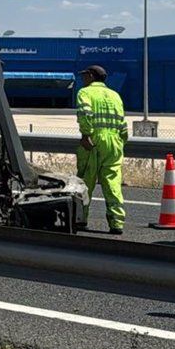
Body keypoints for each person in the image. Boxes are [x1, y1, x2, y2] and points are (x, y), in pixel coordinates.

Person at [75, 64, 128, 234]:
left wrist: (86, 134)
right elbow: (122, 122)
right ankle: (116, 222)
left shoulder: (85, 92)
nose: (82, 78)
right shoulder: (115, 95)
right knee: (112, 183)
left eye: (84, 75)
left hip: (94, 140)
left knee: (85, 181)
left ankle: (80, 219)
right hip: (114, 142)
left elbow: (85, 114)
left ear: (91, 76)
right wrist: (120, 141)